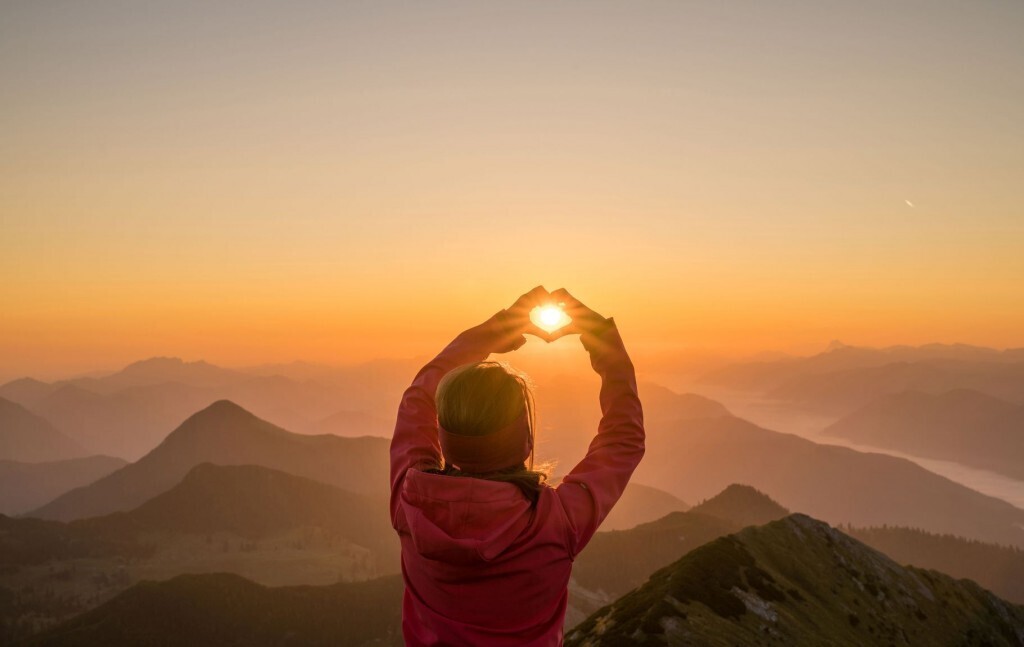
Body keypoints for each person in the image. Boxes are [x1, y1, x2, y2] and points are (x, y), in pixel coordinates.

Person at [389, 285, 646, 646]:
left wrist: (497, 329)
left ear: (444, 435)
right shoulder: (557, 522)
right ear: (524, 440)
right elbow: (624, 440)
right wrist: (604, 342)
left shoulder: (410, 501)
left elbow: (418, 396)